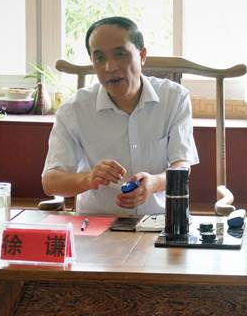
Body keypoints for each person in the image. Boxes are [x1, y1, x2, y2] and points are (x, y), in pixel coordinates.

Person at [42, 16, 198, 216]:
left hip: (160, 222)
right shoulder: (73, 110)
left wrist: (154, 183)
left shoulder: (174, 98)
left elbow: (182, 167)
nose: (110, 67)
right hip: (96, 225)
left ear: (142, 55)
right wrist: (88, 179)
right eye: (100, 58)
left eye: (120, 54)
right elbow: (50, 182)